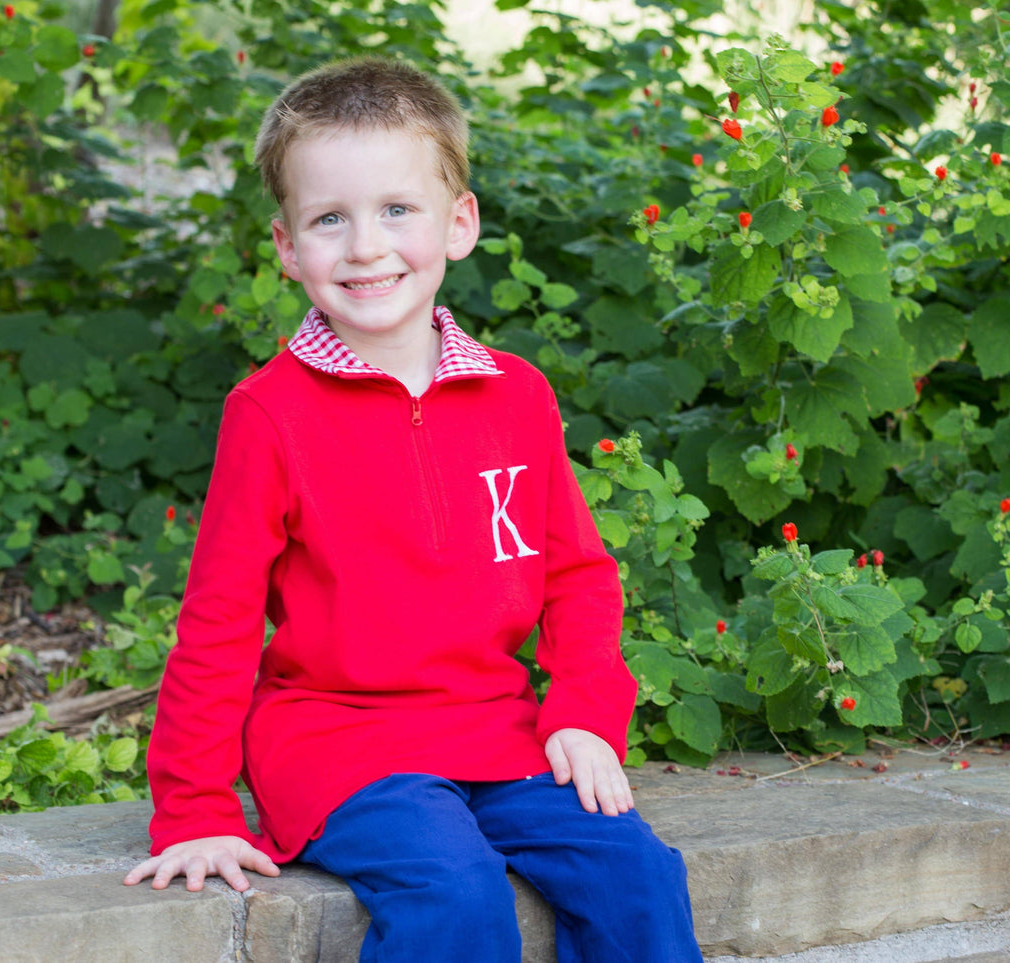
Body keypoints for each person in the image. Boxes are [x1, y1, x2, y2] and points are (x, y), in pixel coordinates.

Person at [122, 56, 702, 962]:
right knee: (453, 885)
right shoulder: (270, 413)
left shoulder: (515, 394)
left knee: (636, 872)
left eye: (397, 209)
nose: (365, 246)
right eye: (329, 219)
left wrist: (583, 711)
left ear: (457, 222)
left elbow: (578, 575)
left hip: (496, 729)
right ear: (286, 245)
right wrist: (194, 809)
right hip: (333, 738)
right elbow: (220, 620)